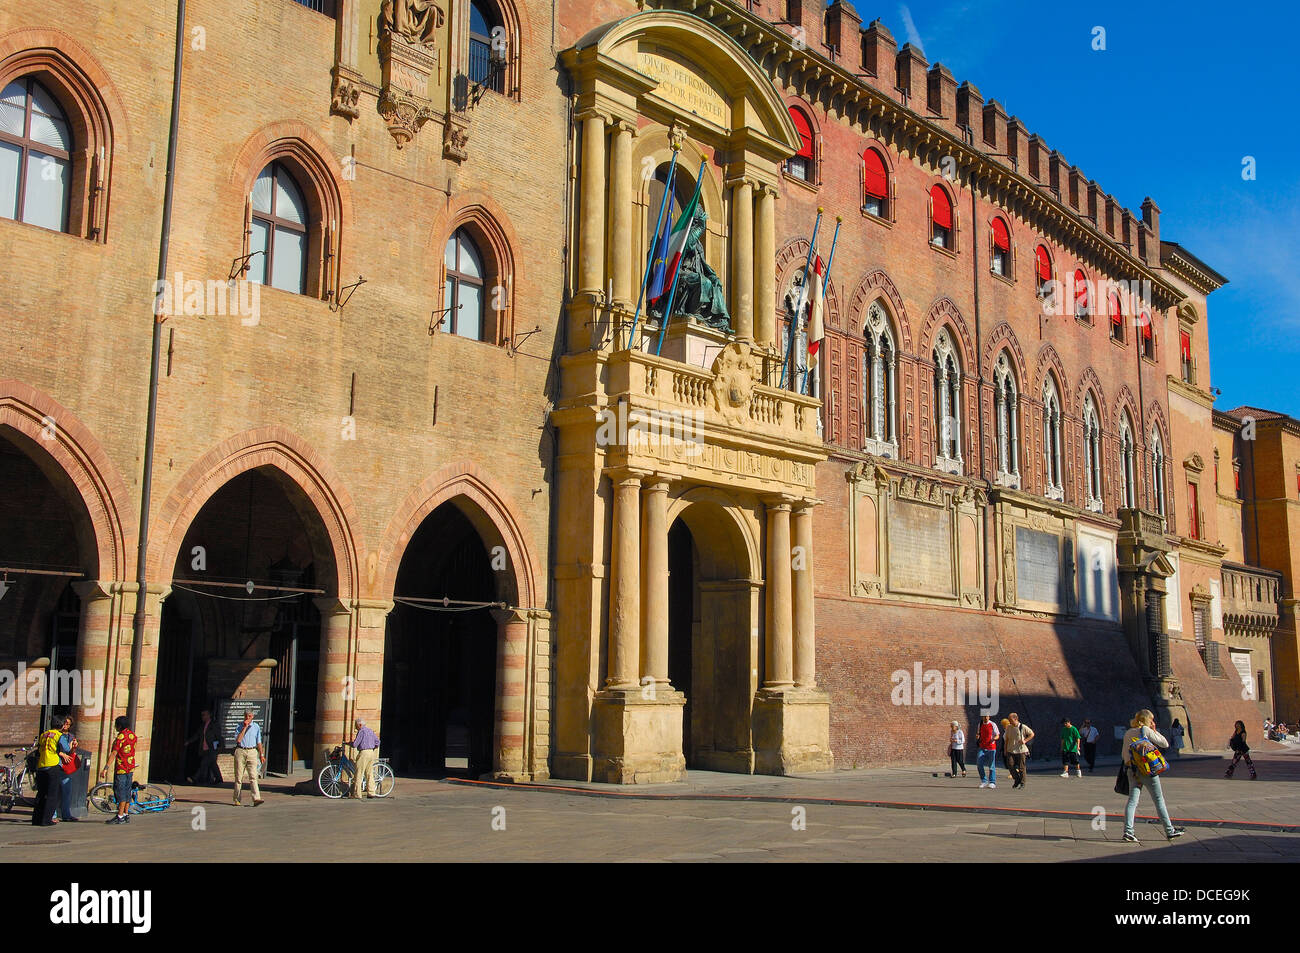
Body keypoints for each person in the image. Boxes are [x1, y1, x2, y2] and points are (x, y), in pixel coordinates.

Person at [1121, 709, 1184, 843]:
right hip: (1148, 771)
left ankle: (1128, 831)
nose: (1153, 722)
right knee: (1159, 800)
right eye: (1151, 720)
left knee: (1132, 801)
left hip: (1132, 771)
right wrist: (1154, 731)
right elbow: (1165, 744)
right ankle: (1169, 830)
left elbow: (1124, 755)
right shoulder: (1146, 730)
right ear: (1146, 720)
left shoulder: (1128, 733)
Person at [31, 715, 72, 827]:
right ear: (62, 725)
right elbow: (67, 749)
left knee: (41, 793)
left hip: (41, 765)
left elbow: (40, 749)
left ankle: (36, 819)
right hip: (53, 764)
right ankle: (47, 819)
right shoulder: (59, 735)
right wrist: (71, 745)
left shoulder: (43, 734)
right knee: (52, 794)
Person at [99, 715, 137, 826]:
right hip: (130, 767)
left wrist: (105, 768)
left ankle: (119, 816)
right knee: (127, 791)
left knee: (120, 792)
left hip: (121, 768)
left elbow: (114, 753)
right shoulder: (132, 736)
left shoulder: (120, 737)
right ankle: (125, 814)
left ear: (119, 726)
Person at [231, 709, 265, 807]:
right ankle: (237, 799)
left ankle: (256, 798)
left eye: (249, 716)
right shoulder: (239, 726)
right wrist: (245, 727)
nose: (247, 718)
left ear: (252, 716)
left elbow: (259, 741)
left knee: (253, 776)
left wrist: (261, 754)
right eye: (246, 716)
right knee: (238, 777)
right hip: (240, 751)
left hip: (252, 751)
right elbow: (238, 740)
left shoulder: (256, 727)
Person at [187, 710, 222, 785]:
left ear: (209, 715)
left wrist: (219, 746)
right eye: (202, 715)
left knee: (204, 763)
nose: (202, 716)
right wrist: (189, 741)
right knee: (213, 764)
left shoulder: (214, 724)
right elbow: (197, 735)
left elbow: (218, 736)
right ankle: (219, 779)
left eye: (204, 715)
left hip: (212, 748)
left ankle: (194, 778)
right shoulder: (203, 725)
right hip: (205, 748)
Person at [56, 715, 81, 823]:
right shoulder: (56, 734)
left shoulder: (71, 736)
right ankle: (53, 815)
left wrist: (74, 747)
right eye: (65, 723)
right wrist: (62, 754)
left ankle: (66, 814)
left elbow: (70, 752)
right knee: (55, 792)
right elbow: (53, 749)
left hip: (66, 767)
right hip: (57, 764)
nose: (66, 725)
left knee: (67, 792)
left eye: (68, 724)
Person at [350, 718, 381, 798]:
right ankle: (371, 792)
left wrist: (349, 743)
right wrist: (373, 747)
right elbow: (377, 742)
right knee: (369, 773)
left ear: (360, 725)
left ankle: (357, 794)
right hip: (371, 753)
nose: (355, 727)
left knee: (359, 773)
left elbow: (355, 744)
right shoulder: (370, 731)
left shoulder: (361, 731)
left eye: (356, 725)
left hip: (364, 753)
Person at [1004, 712, 1034, 789]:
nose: (1009, 721)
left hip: (1021, 750)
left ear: (1016, 719)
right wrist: (1005, 749)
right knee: (1010, 765)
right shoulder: (1009, 727)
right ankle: (1017, 779)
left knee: (1021, 768)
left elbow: (1032, 734)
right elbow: (1006, 739)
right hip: (1010, 750)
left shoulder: (1022, 727)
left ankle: (1023, 783)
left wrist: (1025, 740)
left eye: (1011, 720)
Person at [975, 714, 999, 789]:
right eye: (984, 716)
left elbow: (997, 735)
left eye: (987, 716)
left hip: (991, 747)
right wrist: (978, 736)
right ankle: (984, 781)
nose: (985, 718)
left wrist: (994, 738)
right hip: (982, 747)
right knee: (979, 763)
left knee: (991, 765)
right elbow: (978, 733)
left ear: (989, 717)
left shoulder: (992, 724)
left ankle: (992, 782)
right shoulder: (980, 724)